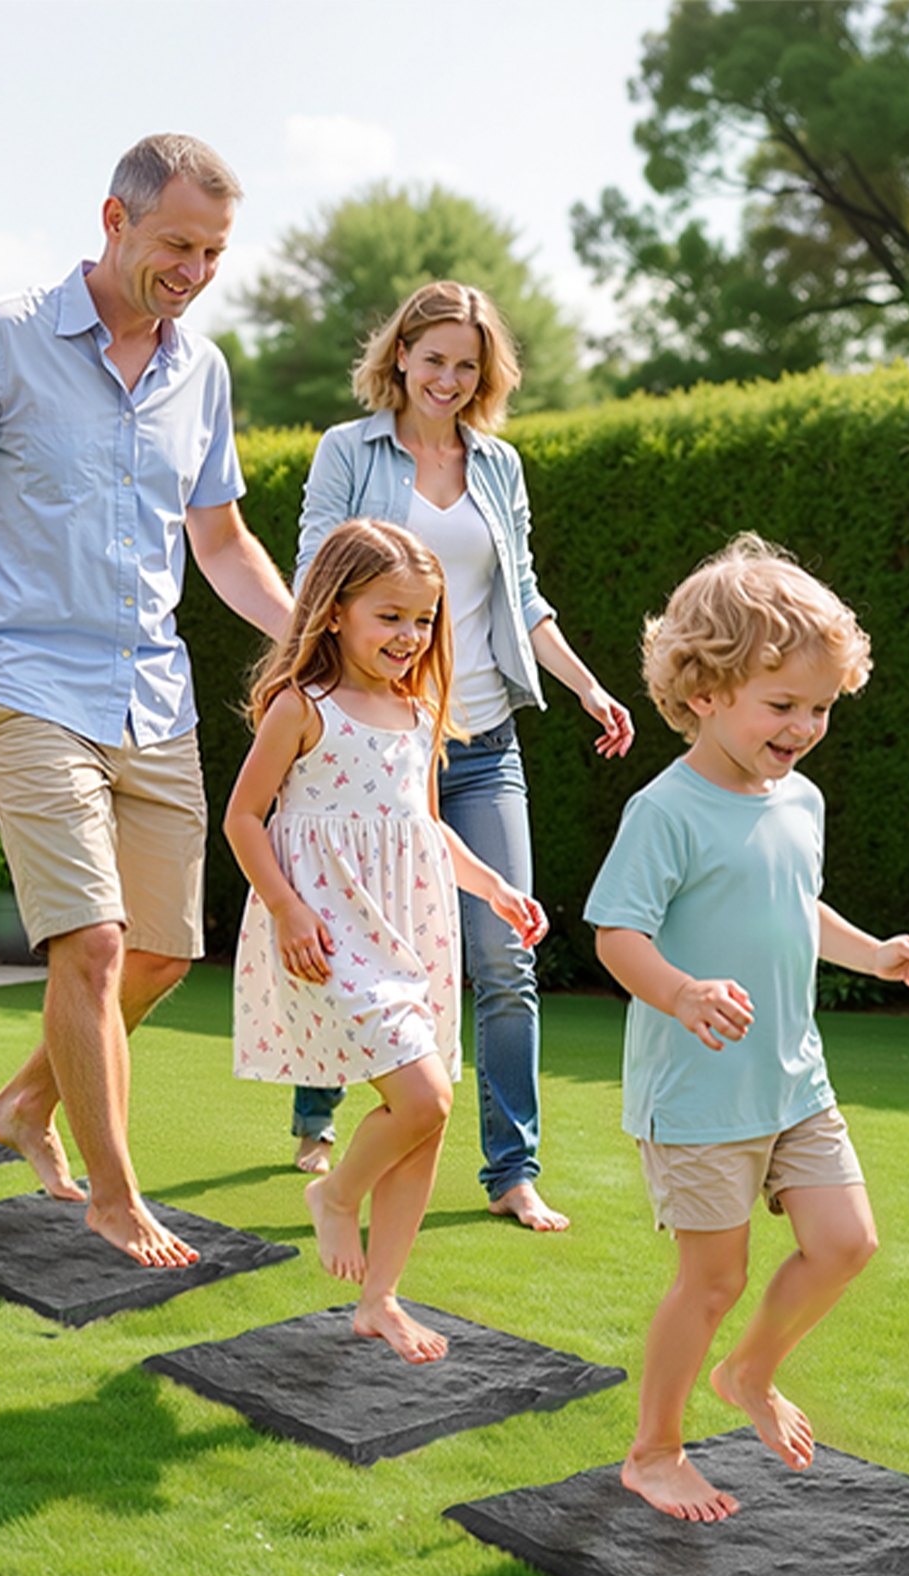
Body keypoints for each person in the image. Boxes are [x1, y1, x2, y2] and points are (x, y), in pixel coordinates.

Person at [0, 134, 292, 1269]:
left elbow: (220, 543)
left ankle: (24, 1102)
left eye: (215, 250)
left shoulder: (202, 374)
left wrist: (317, 642)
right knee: (90, 945)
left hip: (151, 692)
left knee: (165, 955)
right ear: (113, 220)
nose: (194, 267)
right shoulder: (3, 338)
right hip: (23, 679)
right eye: (177, 242)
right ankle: (116, 1196)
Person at [584, 533, 909, 1521]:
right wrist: (681, 993)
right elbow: (616, 934)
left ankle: (748, 1371)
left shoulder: (802, 799)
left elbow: (798, 907)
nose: (805, 726)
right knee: (711, 1278)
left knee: (845, 1241)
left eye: (820, 706)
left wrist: (872, 952)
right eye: (782, 705)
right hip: (699, 1092)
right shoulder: (667, 810)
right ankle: (652, 1450)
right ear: (703, 692)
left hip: (793, 1078)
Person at [288, 281, 632, 1231]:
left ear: (486, 375)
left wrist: (586, 683)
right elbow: (316, 580)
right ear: (399, 355)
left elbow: (523, 594)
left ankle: (511, 1170)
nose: (448, 378)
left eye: (467, 365)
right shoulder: (347, 452)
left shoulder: (499, 467)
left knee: (505, 950)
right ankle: (317, 1110)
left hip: (481, 742)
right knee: (357, 944)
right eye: (433, 358)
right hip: (374, 743)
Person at [225, 519, 548, 1363]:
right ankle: (335, 1195)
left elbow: (427, 831)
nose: (410, 638)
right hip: (330, 932)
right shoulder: (303, 709)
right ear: (333, 612)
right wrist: (290, 910)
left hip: (411, 933)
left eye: (424, 620)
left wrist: (498, 891)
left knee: (425, 1115)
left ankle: (381, 1299)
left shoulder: (417, 712)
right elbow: (243, 818)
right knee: (426, 1099)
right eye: (390, 617)